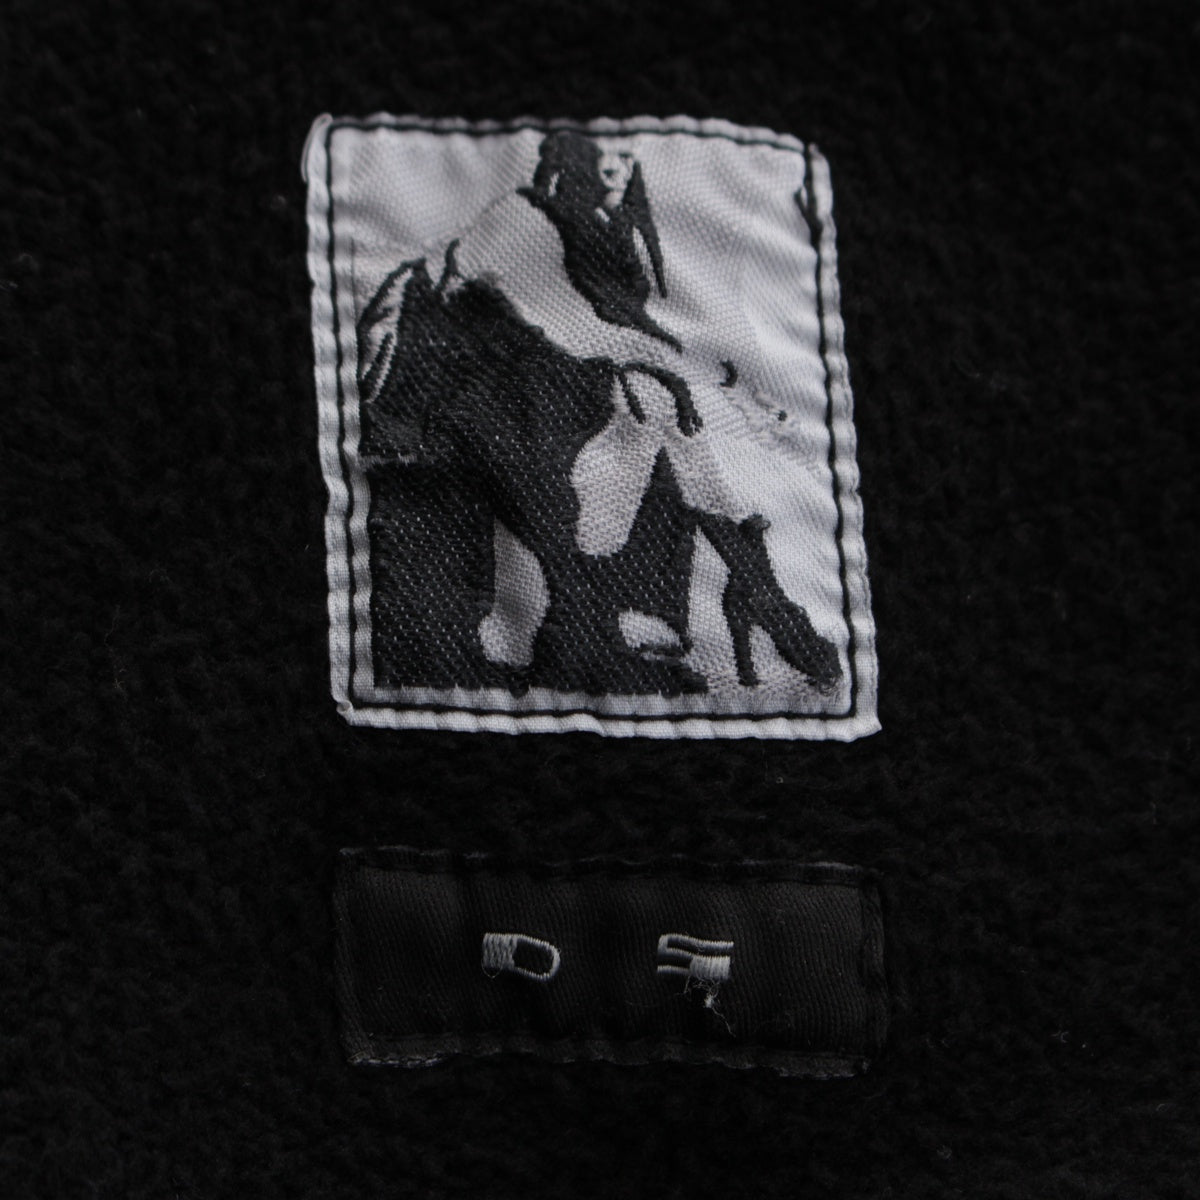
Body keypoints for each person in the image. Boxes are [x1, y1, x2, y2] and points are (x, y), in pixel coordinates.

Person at [357, 131, 841, 696]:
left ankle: (755, 598)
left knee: (657, 404)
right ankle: (762, 600)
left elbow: (625, 332)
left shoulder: (606, 234)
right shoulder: (520, 216)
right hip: (447, 402)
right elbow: (577, 326)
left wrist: (699, 380)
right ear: (567, 164)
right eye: (602, 158)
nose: (616, 169)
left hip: (532, 391)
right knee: (655, 403)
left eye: (625, 160)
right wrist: (711, 379)